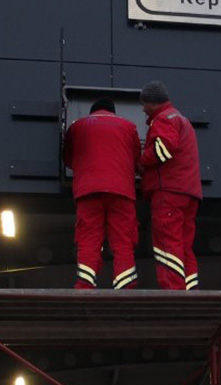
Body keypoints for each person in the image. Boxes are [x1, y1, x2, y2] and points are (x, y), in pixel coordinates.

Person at [63, 98, 141, 289]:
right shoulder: (129, 127)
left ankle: (85, 287)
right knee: (123, 241)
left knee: (89, 240)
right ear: (113, 112)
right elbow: (136, 160)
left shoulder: (77, 126)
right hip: (122, 192)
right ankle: (125, 288)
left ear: (93, 111)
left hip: (88, 192)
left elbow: (68, 159)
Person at [138, 81, 202, 290]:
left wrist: (141, 161)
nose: (143, 109)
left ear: (151, 102)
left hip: (168, 192)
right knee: (184, 246)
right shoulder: (181, 119)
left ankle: (174, 291)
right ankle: (191, 291)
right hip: (188, 192)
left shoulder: (163, 119)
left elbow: (164, 149)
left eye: (143, 104)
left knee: (167, 243)